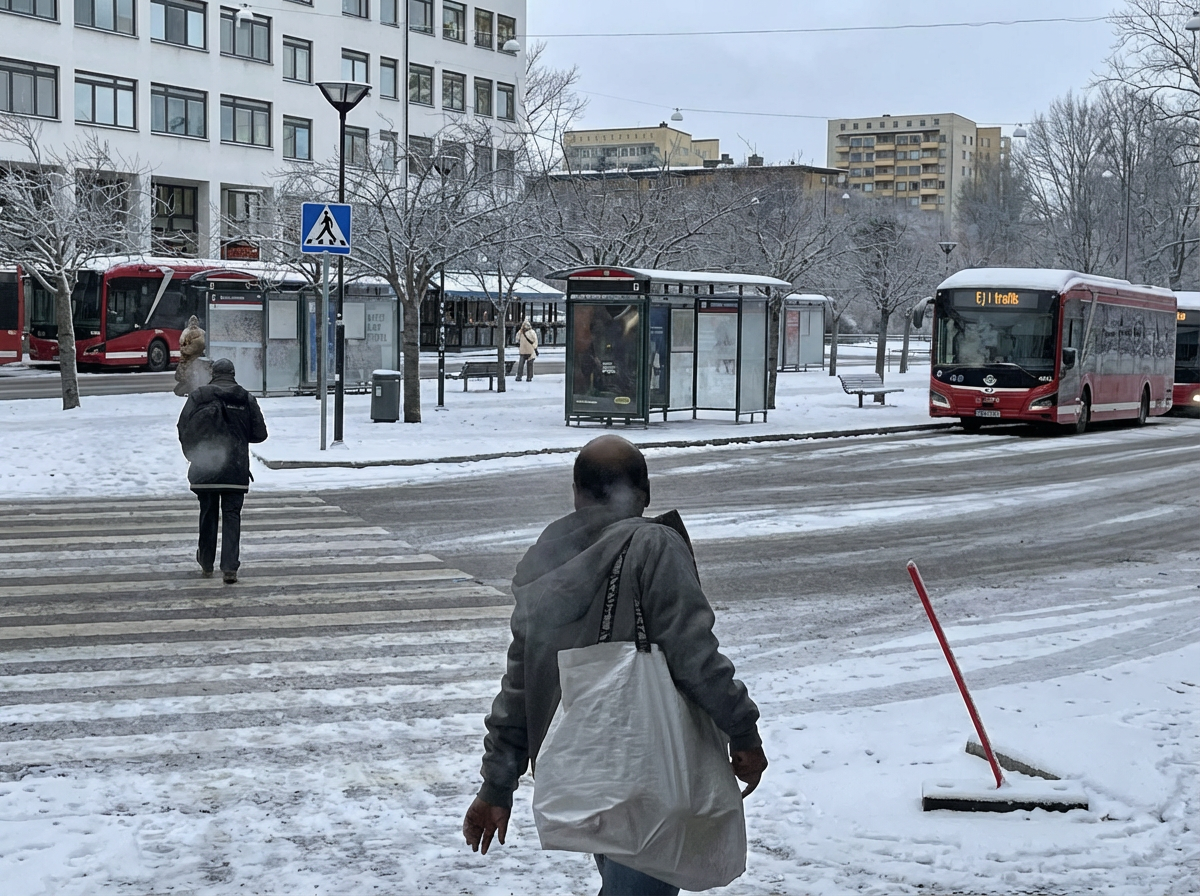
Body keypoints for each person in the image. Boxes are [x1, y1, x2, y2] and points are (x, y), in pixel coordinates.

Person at [463, 435, 767, 896]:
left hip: (582, 767)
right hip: (646, 766)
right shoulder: (653, 547)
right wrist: (743, 732)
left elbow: (520, 685)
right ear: (643, 494)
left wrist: (497, 784)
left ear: (577, 493)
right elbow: (694, 655)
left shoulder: (547, 560)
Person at [176, 358, 268, 584]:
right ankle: (230, 568)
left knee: (208, 514)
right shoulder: (245, 398)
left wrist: (194, 455)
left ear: (213, 374)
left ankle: (206, 563)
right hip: (235, 470)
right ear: (233, 373)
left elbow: (183, 427)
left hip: (206, 467)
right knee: (231, 516)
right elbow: (260, 434)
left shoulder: (199, 396)